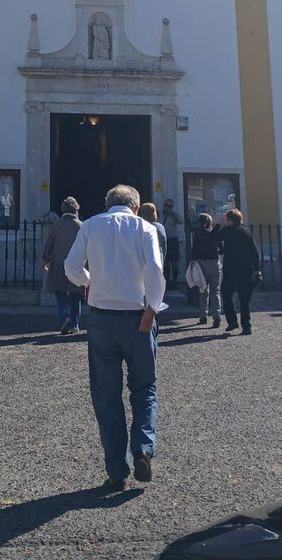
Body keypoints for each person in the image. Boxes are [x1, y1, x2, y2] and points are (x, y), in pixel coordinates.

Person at [65, 184, 165, 492]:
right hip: (138, 320)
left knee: (106, 396)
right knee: (144, 387)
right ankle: (143, 448)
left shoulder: (92, 225)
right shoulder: (144, 227)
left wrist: (88, 281)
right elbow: (155, 269)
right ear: (135, 207)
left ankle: (117, 471)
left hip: (101, 320)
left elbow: (70, 266)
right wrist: (151, 308)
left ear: (107, 204)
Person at [42, 197, 84, 334]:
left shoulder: (57, 225)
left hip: (59, 264)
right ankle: (75, 324)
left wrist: (45, 260)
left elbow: (50, 243)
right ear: (76, 209)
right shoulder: (81, 226)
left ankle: (64, 316)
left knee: (60, 292)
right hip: (76, 265)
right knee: (76, 295)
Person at [219, 207, 260, 335]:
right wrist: (256, 268)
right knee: (244, 300)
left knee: (226, 294)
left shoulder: (227, 231)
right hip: (246, 269)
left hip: (231, 269)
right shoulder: (246, 232)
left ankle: (232, 321)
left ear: (230, 220)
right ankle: (246, 327)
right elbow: (255, 252)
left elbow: (214, 237)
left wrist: (221, 224)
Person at [190, 212, 222, 328]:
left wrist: (192, 260)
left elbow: (195, 248)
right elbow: (221, 248)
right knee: (215, 291)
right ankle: (216, 315)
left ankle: (203, 315)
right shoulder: (214, 233)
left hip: (201, 262)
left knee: (203, 290)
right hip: (214, 262)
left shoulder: (197, 233)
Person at [161, 198, 182, 288]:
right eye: (166, 205)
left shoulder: (174, 216)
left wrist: (173, 215)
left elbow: (181, 221)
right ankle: (167, 281)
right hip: (163, 240)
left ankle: (175, 281)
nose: (167, 208)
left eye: (170, 206)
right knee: (165, 261)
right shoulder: (160, 215)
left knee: (174, 261)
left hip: (172, 240)